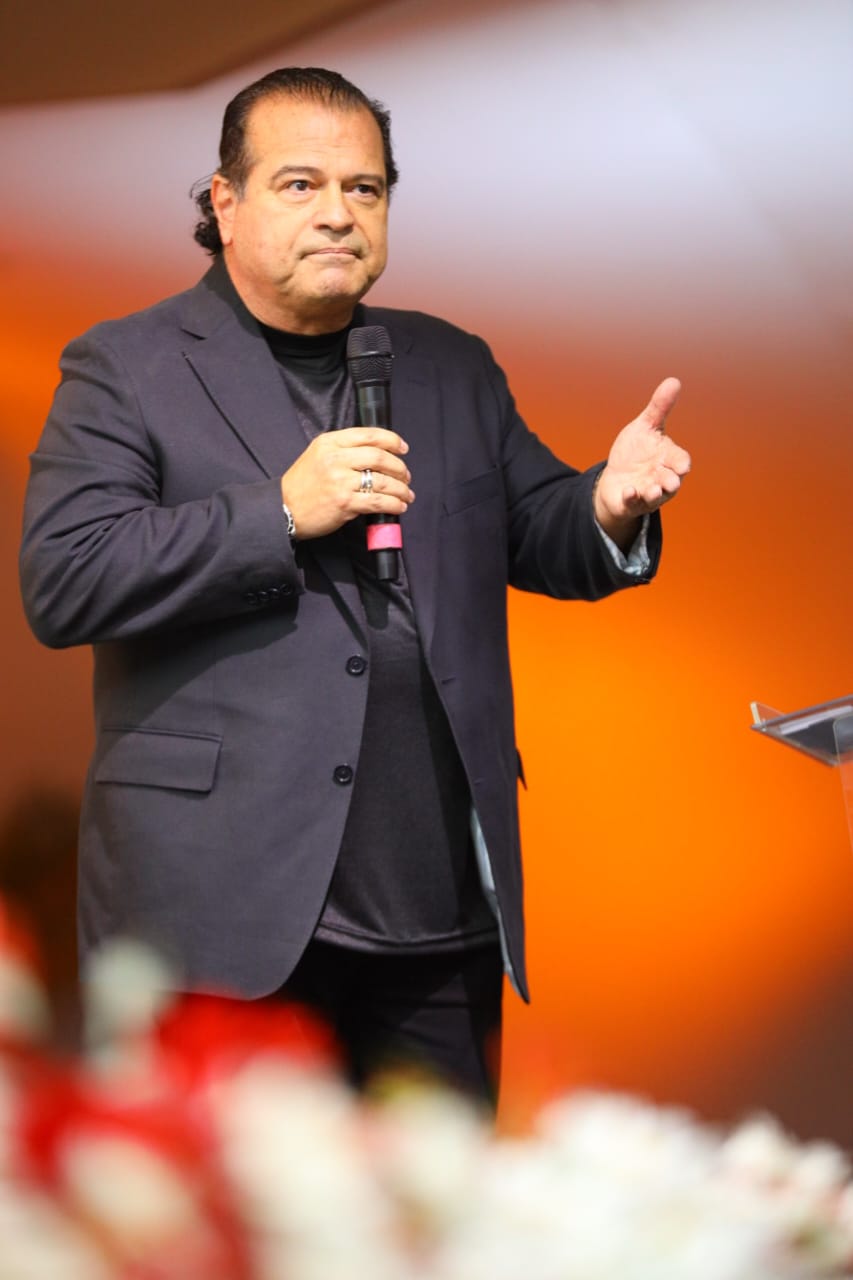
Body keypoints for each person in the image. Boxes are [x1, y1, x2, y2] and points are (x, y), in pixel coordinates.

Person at [19, 67, 690, 1107]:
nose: (339, 212)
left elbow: (536, 530)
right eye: (300, 184)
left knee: (433, 1201)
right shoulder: (128, 365)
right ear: (225, 202)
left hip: (434, 913)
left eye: (365, 188)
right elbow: (67, 574)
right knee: (225, 1206)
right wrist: (280, 512)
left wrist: (607, 506)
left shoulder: (448, 364)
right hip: (220, 913)